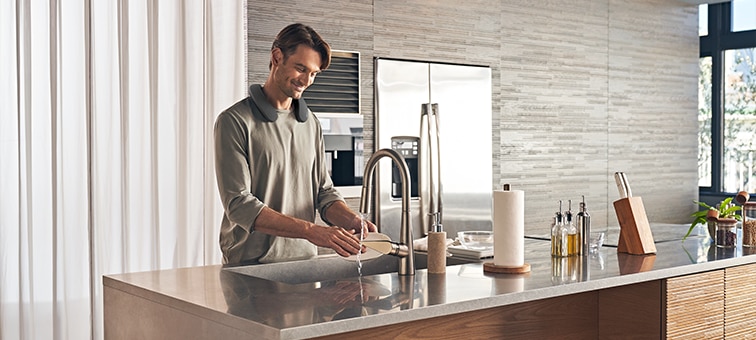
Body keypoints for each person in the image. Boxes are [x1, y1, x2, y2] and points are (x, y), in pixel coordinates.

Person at [214, 23, 376, 265]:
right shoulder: (234, 121)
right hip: (250, 265)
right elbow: (239, 204)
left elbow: (323, 192)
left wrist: (350, 219)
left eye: (313, 73)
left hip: (303, 263)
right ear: (277, 57)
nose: (306, 80)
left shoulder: (310, 123)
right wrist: (312, 231)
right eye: (301, 68)